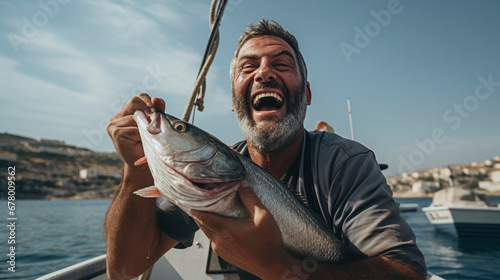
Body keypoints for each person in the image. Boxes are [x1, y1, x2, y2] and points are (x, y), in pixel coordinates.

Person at [105, 19, 427, 279]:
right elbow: (123, 270)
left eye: (282, 64)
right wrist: (135, 170)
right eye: (248, 67)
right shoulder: (202, 173)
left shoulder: (346, 164)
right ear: (234, 103)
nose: (264, 73)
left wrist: (274, 266)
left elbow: (406, 272)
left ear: (307, 94)